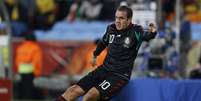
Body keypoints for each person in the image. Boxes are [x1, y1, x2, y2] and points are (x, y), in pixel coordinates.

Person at [55, 5, 157, 101]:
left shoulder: (136, 31)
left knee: (90, 95)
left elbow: (147, 36)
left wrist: (153, 32)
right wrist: (95, 54)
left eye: (121, 18)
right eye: (116, 17)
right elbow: (103, 42)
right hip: (104, 69)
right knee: (74, 90)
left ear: (129, 20)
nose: (117, 21)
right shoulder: (111, 28)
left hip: (119, 75)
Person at [15, 32, 43, 99]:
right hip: (31, 71)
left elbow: (17, 60)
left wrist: (18, 69)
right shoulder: (35, 48)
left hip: (21, 70)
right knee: (29, 90)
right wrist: (37, 72)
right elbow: (37, 61)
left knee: (22, 88)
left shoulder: (21, 47)